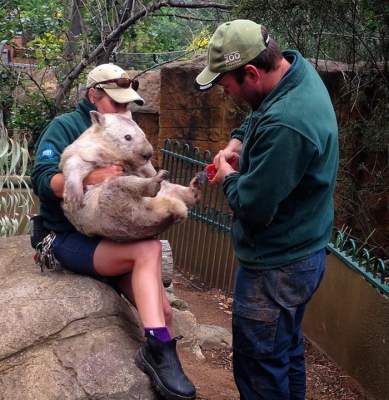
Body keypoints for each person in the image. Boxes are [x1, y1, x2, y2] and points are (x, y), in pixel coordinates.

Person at [32, 63, 196, 400]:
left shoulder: (127, 130)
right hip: (67, 236)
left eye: (127, 104)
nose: (124, 111)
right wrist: (91, 177)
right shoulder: (65, 127)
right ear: (94, 96)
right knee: (148, 250)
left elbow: (144, 178)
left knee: (164, 313)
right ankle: (158, 352)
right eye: (117, 103)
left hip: (111, 237)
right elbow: (43, 180)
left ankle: (163, 364)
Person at [194, 20, 338, 399]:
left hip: (277, 268)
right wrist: (237, 143)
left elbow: (253, 207)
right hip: (303, 251)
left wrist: (227, 177)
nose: (227, 93)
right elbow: (259, 114)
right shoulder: (294, 73)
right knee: (285, 352)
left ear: (252, 72)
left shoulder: (289, 122)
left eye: (227, 85)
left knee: (259, 365)